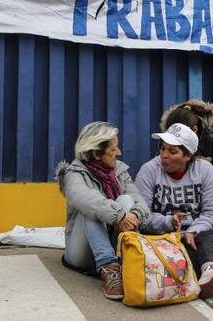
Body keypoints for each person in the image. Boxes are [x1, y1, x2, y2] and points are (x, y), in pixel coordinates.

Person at [134, 123, 213, 300]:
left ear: (189, 155)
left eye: (172, 151)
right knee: (180, 255)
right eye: (162, 149)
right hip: (163, 236)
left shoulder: (204, 170)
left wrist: (192, 231)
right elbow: (142, 215)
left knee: (212, 236)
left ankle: (210, 271)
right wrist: (169, 222)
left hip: (198, 234)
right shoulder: (149, 170)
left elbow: (211, 213)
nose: (164, 155)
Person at [56, 122, 150, 301]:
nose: (119, 153)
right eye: (113, 150)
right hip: (81, 254)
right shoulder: (73, 174)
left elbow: (141, 203)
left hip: (114, 244)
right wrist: (119, 215)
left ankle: (130, 261)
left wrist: (134, 215)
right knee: (92, 207)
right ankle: (110, 269)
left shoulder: (119, 170)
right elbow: (86, 199)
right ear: (96, 153)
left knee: (126, 200)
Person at [160, 100, 213, 223]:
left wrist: (209, 165)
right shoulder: (169, 133)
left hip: (212, 171)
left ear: (195, 129)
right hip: (182, 172)